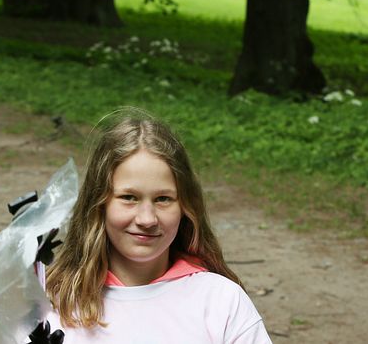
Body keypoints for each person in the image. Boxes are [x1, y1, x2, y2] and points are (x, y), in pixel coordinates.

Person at [42, 111, 272, 343]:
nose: (147, 219)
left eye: (163, 199)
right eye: (129, 197)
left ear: (185, 206)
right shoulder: (53, 302)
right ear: (99, 204)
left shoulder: (221, 301)